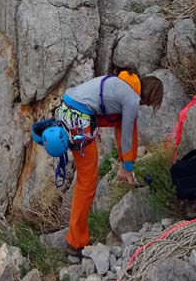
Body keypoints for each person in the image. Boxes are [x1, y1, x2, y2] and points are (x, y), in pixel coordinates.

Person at [56, 70, 164, 257]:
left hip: (68, 109)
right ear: (148, 97)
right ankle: (75, 243)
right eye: (149, 103)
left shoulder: (123, 86)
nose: (144, 106)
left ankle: (77, 238)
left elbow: (124, 129)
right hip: (77, 118)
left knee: (86, 178)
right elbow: (127, 134)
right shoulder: (131, 99)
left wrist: (128, 164)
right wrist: (126, 167)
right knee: (87, 180)